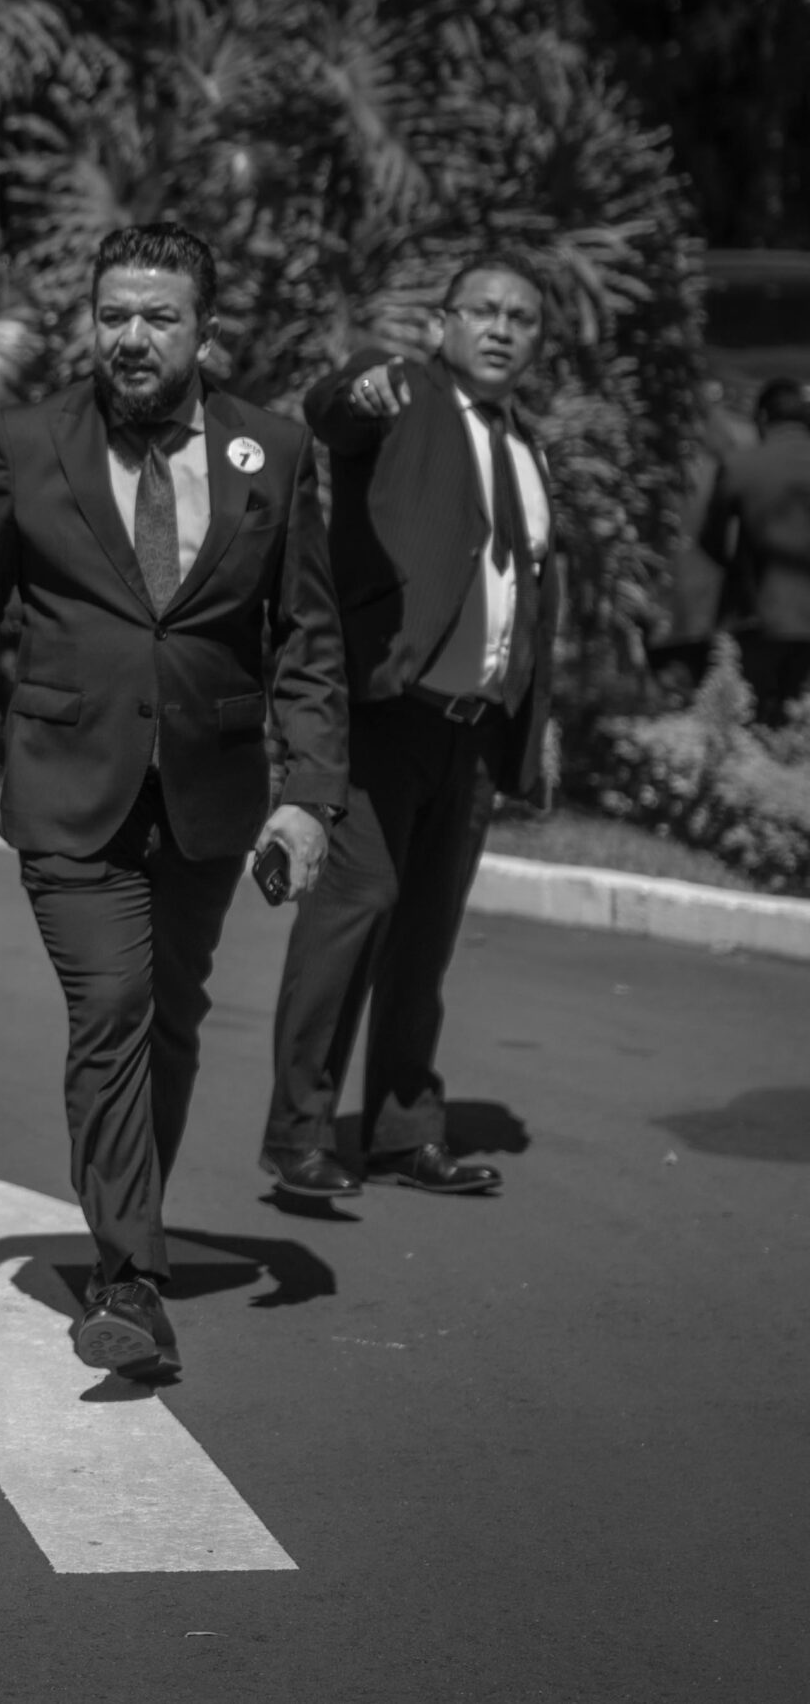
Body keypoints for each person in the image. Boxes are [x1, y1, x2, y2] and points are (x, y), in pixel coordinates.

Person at [0, 222, 347, 1380]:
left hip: (208, 792)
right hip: (68, 786)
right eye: (113, 314)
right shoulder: (28, 442)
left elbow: (307, 640)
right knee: (110, 1004)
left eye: (158, 316)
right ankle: (127, 1277)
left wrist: (309, 793)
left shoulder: (272, 451)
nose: (132, 336)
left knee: (170, 1017)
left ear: (205, 330)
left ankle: (129, 1238)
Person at [260, 253, 562, 1200]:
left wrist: (533, 721)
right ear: (445, 323)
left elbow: (526, 597)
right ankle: (299, 1136)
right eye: (484, 310)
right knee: (349, 922)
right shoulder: (403, 399)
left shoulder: (527, 448)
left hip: (473, 734)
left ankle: (403, 1133)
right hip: (388, 714)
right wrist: (362, 386)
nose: (502, 328)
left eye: (521, 317)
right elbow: (333, 408)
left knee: (426, 940)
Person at [702, 378, 810, 721]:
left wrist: (739, 572)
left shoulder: (740, 466)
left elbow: (710, 540)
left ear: (762, 418)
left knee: (752, 720)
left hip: (759, 617)